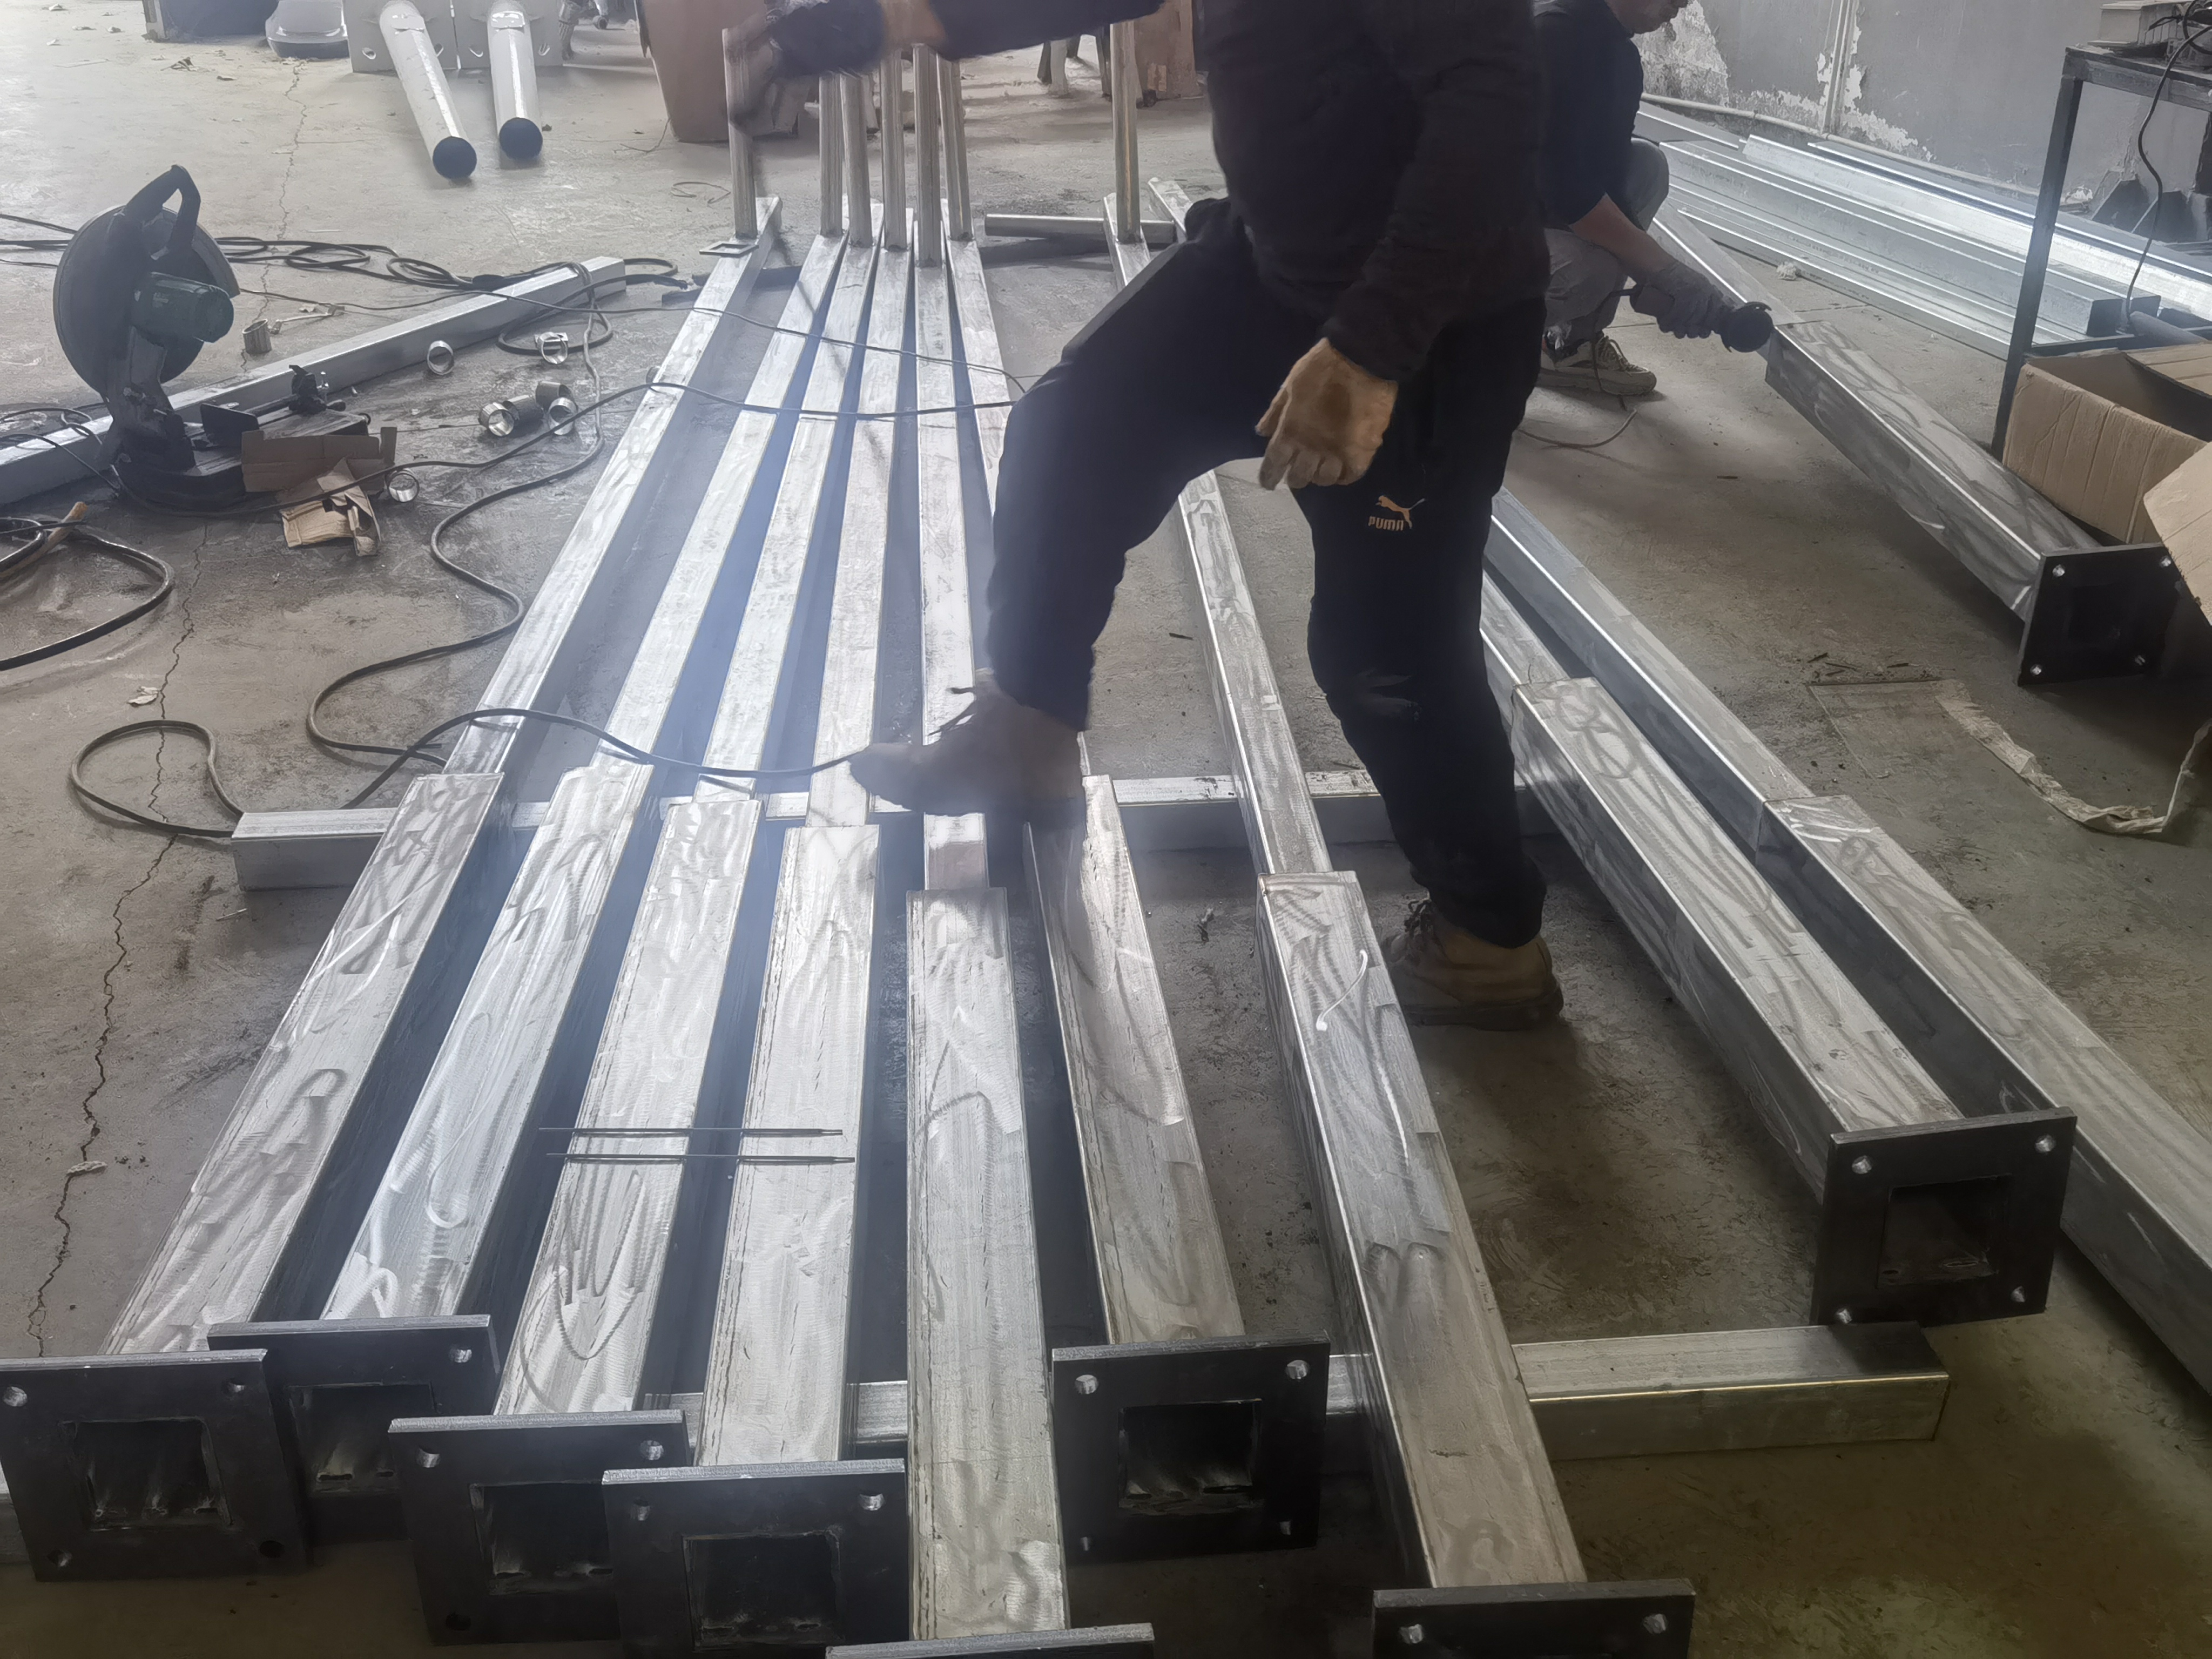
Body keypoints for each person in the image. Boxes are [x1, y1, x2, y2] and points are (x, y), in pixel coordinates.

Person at [729, 0, 1599, 1029]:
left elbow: (1491, 105)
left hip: (1431, 317)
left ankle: (1490, 940)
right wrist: (899, 17)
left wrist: (1373, 347)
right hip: (1274, 268)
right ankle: (1028, 730)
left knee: (1387, 659)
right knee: (1075, 433)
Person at [1534, 0, 1732, 395]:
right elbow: (1569, 192)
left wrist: (1657, 279)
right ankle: (1453, 350)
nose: (1682, 4)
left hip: (1529, 202)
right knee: (1588, 273)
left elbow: (1604, 183)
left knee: (1646, 167)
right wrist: (1664, 270)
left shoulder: (1621, 58)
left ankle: (1569, 346)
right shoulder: (1548, 38)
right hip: (1464, 224)